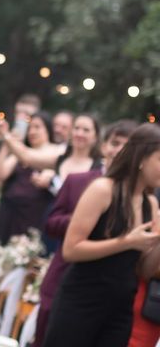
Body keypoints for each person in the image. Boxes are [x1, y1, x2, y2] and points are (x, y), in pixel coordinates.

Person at [43, 123, 160, 347]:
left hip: (120, 307)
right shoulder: (103, 189)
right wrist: (126, 242)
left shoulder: (150, 203)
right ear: (142, 158)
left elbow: (144, 269)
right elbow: (71, 250)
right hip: (82, 300)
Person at [0, 112, 55, 268]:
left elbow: (49, 172)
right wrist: (7, 144)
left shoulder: (54, 151)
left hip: (32, 219)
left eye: (38, 127)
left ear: (48, 130)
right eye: (30, 128)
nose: (32, 132)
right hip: (9, 216)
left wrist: (47, 175)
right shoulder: (20, 152)